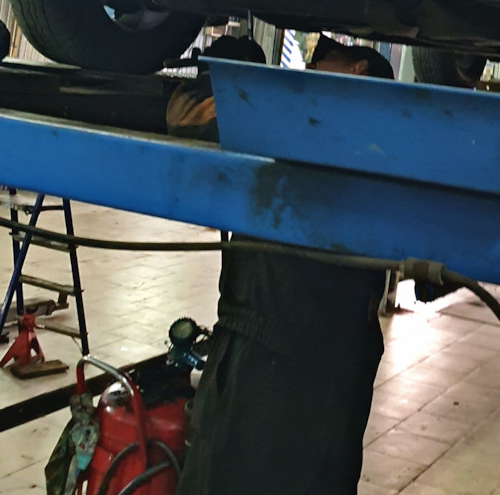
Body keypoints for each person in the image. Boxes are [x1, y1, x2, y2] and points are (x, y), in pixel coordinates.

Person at [168, 33, 395, 495]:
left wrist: (220, 77)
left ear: (359, 71)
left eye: (325, 58)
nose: (309, 68)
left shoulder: (310, 119)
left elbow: (190, 120)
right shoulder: (378, 143)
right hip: (334, 356)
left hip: (273, 357)